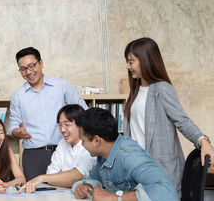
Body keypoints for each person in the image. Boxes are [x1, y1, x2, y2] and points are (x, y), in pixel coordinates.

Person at [123, 37, 214, 196]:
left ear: (145, 60)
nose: (127, 66)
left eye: (131, 61)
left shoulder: (161, 88)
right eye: (127, 61)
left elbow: (182, 120)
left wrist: (203, 140)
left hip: (159, 171)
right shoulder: (135, 91)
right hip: (137, 170)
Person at [9, 47, 88, 180]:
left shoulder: (62, 86)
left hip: (65, 149)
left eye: (31, 66)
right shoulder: (17, 96)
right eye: (23, 69)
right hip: (34, 156)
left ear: (41, 63)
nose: (28, 72)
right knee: (35, 193)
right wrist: (18, 132)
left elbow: (84, 112)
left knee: (69, 191)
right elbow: (12, 127)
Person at [72, 108, 178, 201]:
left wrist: (114, 198)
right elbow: (95, 178)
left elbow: (166, 191)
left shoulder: (130, 156)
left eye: (83, 140)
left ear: (96, 141)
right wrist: (86, 186)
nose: (82, 145)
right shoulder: (104, 154)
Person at [17, 104, 96, 193]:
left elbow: (78, 176)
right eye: (60, 125)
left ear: (81, 124)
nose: (62, 129)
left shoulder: (90, 145)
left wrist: (42, 178)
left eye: (67, 124)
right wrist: (65, 180)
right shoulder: (62, 145)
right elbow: (51, 175)